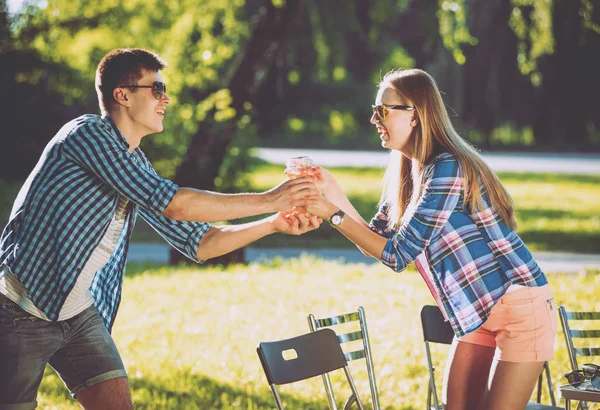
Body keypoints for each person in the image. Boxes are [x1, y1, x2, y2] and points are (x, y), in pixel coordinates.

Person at [0, 48, 321, 410]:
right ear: (122, 95)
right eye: (156, 89)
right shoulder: (87, 135)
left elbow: (199, 242)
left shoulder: (134, 163)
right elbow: (175, 202)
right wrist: (270, 199)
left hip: (76, 313)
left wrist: (273, 223)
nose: (165, 99)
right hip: (21, 310)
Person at [305, 68, 556, 410]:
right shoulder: (410, 171)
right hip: (475, 313)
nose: (373, 118)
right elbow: (372, 243)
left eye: (383, 110)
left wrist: (331, 213)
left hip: (519, 305)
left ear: (416, 114)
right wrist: (330, 192)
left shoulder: (447, 167)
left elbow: (397, 256)